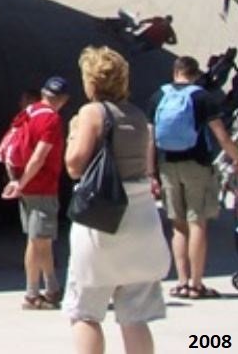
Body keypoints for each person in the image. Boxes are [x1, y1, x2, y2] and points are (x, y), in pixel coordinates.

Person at [64, 47, 170, 354]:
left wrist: (72, 136)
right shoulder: (138, 116)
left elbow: (75, 165)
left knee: (84, 312)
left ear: (91, 81)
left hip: (102, 222)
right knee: (135, 317)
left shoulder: (91, 113)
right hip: (142, 220)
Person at [148, 56, 238, 300]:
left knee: (178, 225)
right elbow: (221, 136)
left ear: (175, 71)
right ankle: (197, 285)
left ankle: (181, 281)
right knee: (197, 222)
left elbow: (150, 138)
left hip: (167, 165)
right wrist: (237, 158)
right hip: (197, 164)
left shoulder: (158, 96)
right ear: (195, 74)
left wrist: (150, 173)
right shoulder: (202, 97)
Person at [1, 75, 69, 309]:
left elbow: (9, 145)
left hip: (27, 189)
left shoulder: (28, 112)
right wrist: (22, 182)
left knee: (38, 241)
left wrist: (16, 181)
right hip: (42, 187)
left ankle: (51, 288)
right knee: (40, 241)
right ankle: (33, 294)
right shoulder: (52, 119)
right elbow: (39, 157)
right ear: (63, 100)